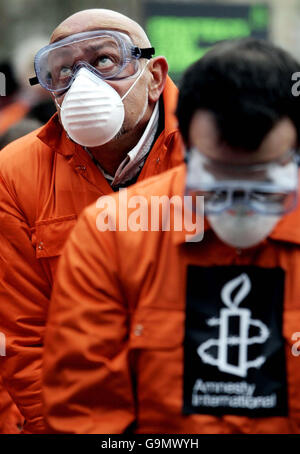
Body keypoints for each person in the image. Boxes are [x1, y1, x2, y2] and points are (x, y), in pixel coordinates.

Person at [44, 38, 300, 434]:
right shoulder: (114, 234)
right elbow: (87, 412)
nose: (240, 200)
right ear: (189, 147)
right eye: (219, 174)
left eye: (264, 178)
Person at [0, 9, 183, 434]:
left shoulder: (211, 156)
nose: (83, 84)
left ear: (154, 77)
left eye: (104, 61)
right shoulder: (15, 173)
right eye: (61, 70)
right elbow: (24, 337)